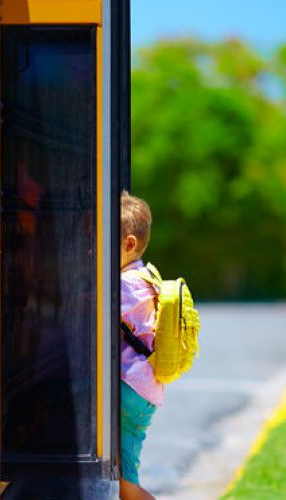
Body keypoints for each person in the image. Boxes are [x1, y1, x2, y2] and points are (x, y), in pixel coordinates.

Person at [119, 191, 162, 500]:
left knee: (126, 486)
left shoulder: (124, 285)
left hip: (129, 387)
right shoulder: (145, 277)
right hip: (144, 389)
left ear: (129, 244)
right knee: (125, 476)